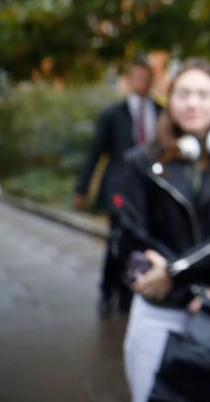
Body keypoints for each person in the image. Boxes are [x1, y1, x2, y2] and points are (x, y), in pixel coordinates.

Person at [116, 58, 210, 402]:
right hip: (159, 307)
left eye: (203, 94)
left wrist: (183, 276)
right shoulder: (141, 160)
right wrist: (181, 284)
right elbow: (133, 232)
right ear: (170, 100)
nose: (192, 103)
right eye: (183, 94)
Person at [75, 57, 161, 317]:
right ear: (129, 80)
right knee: (116, 242)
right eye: (137, 77)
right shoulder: (112, 114)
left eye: (146, 78)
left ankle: (127, 294)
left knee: (138, 244)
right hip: (119, 190)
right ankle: (106, 292)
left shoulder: (161, 112)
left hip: (150, 192)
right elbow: (95, 153)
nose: (141, 82)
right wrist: (82, 187)